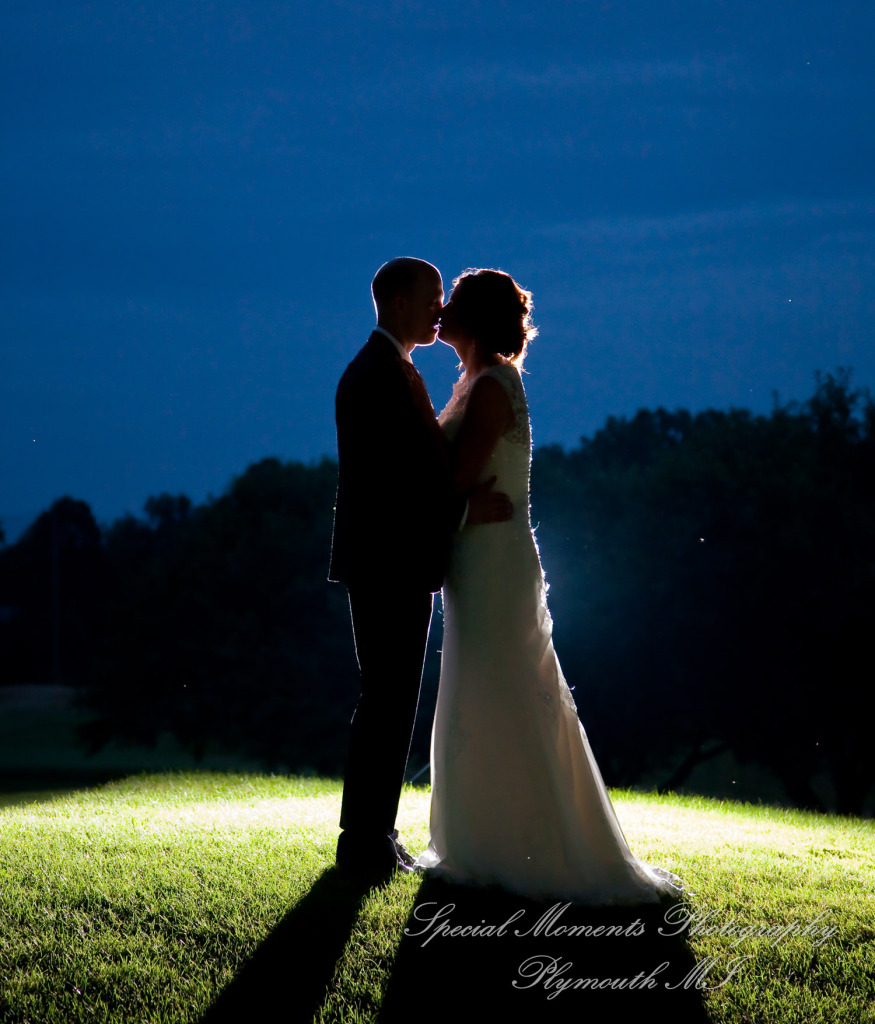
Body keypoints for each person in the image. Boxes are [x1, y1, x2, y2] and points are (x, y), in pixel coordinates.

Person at [416, 268, 681, 904]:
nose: (441, 310)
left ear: (473, 318)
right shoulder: (478, 382)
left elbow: (455, 482)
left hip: (492, 560)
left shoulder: (489, 389)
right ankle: (484, 833)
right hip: (481, 557)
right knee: (485, 682)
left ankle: (516, 843)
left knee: (500, 683)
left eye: (451, 302)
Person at [329, 258, 512, 883]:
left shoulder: (389, 369)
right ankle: (364, 842)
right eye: (433, 297)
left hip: (392, 560)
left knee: (390, 698)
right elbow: (395, 483)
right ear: (400, 303)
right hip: (389, 562)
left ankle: (374, 834)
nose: (440, 308)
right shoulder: (378, 374)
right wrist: (463, 506)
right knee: (387, 699)